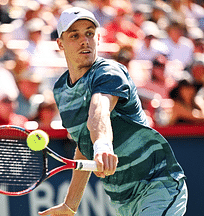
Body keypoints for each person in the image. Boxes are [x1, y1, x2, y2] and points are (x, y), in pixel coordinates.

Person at [39, 7, 187, 216]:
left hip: (157, 185)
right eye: (75, 35)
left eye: (89, 33)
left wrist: (102, 145)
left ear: (97, 38)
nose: (84, 40)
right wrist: (70, 205)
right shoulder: (62, 91)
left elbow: (99, 110)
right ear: (60, 44)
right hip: (122, 202)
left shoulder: (109, 71)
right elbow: (85, 142)